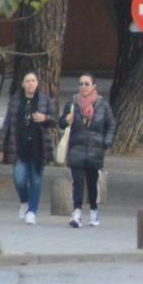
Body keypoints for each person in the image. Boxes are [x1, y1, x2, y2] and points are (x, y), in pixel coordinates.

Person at [0, 71, 57, 225]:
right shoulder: (15, 100)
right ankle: (24, 201)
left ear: (37, 83)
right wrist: (0, 147)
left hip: (38, 147)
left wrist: (45, 118)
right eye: (27, 80)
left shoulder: (45, 100)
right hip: (19, 146)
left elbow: (55, 120)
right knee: (19, 179)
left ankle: (32, 212)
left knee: (36, 180)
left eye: (33, 80)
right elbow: (7, 124)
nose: (30, 83)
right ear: (23, 83)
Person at [60, 74, 116, 228]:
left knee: (92, 183)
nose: (83, 87)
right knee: (77, 182)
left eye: (86, 84)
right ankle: (77, 213)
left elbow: (111, 125)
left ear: (93, 86)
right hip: (76, 148)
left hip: (95, 149)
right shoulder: (72, 103)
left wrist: (106, 142)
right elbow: (61, 123)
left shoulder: (102, 105)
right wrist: (65, 120)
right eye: (81, 84)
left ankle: (93, 211)